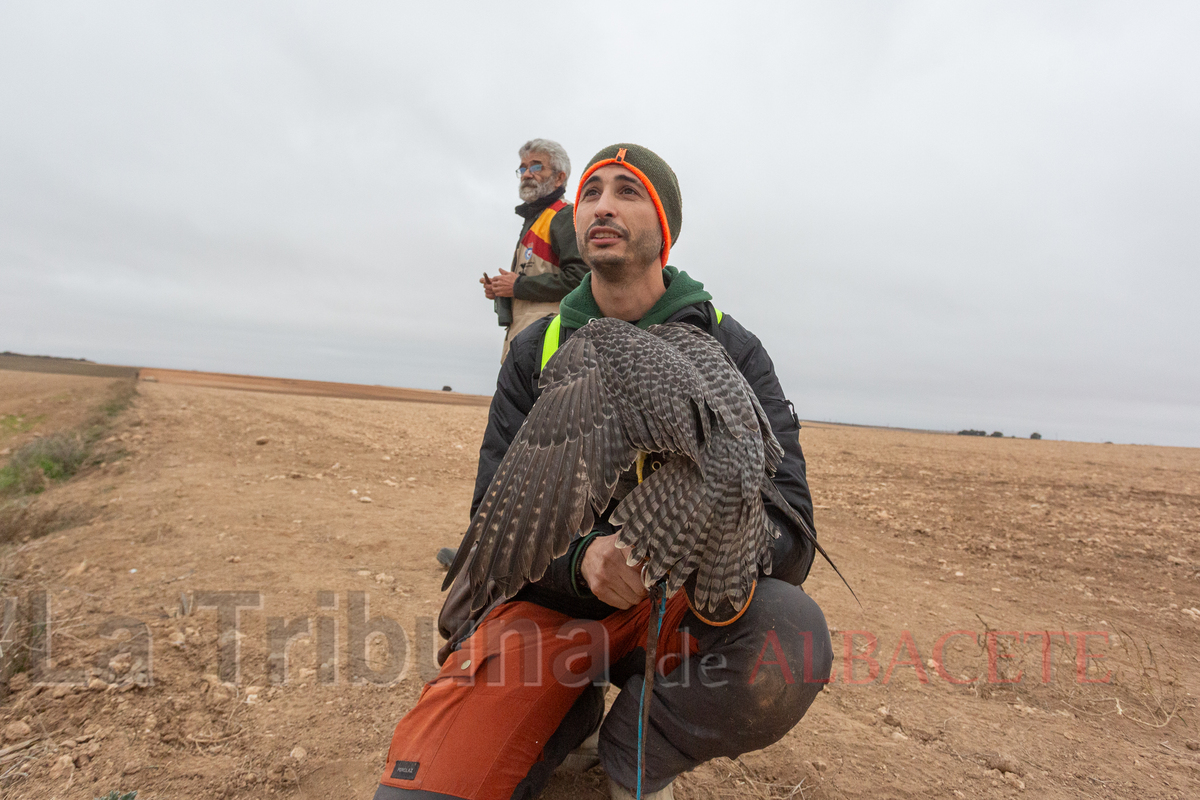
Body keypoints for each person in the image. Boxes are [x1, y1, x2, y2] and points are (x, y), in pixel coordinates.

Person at [376, 144, 832, 800]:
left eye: (627, 191)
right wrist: (586, 559)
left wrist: (698, 537)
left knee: (789, 640)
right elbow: (493, 516)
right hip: (556, 609)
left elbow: (793, 532)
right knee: (422, 794)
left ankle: (640, 749)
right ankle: (570, 707)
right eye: (590, 192)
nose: (603, 205)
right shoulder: (542, 350)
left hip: (682, 604)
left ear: (664, 226)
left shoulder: (732, 348)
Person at [482, 138, 588, 363]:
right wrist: (502, 290)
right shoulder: (536, 220)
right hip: (524, 342)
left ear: (560, 176)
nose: (527, 174)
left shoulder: (564, 216)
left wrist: (518, 286)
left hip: (548, 347)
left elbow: (582, 280)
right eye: (523, 168)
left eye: (536, 166)